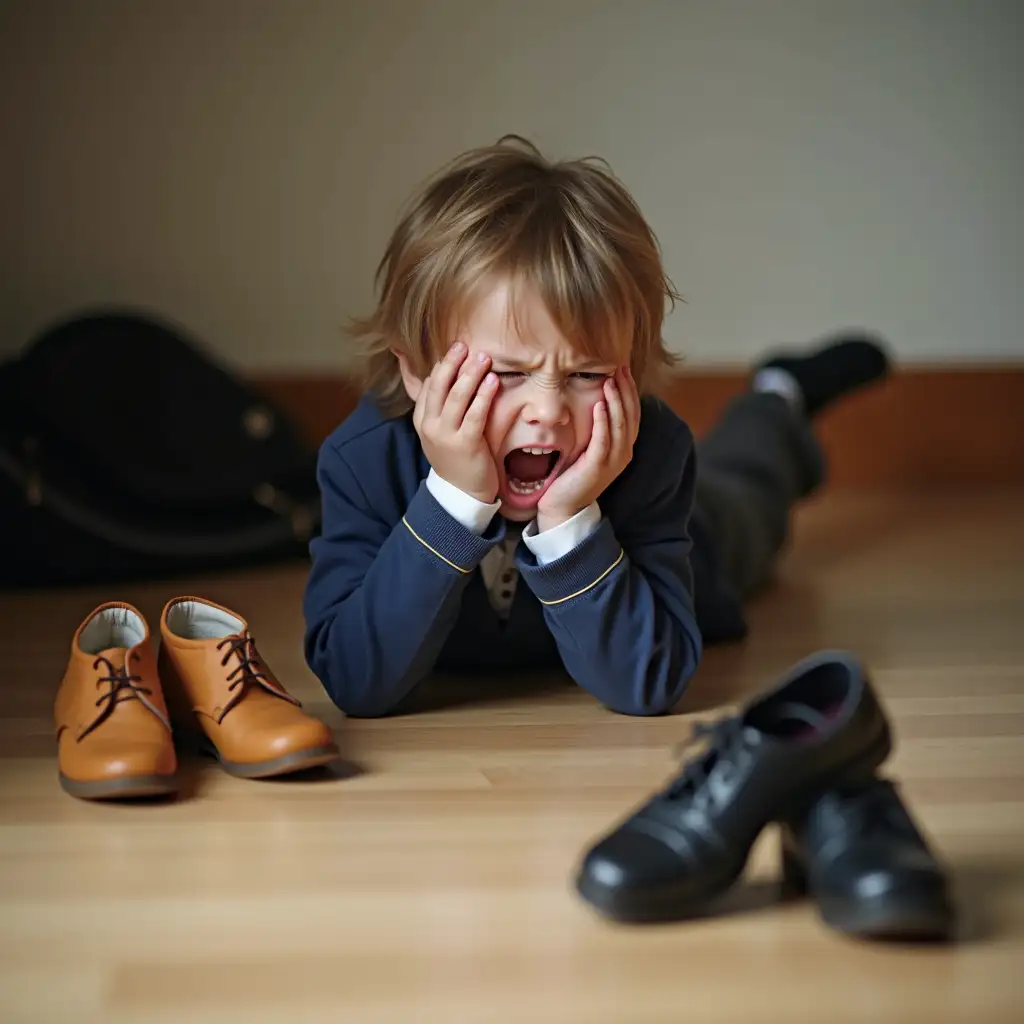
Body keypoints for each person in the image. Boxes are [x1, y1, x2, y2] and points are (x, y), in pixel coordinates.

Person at [302, 136, 888, 718]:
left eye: (587, 373)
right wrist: (453, 502)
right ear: (414, 369)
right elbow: (355, 681)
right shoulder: (363, 461)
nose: (548, 410)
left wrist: (568, 521)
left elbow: (648, 682)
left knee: (745, 498)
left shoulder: (652, 457)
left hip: (691, 550)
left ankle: (777, 398)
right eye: (507, 372)